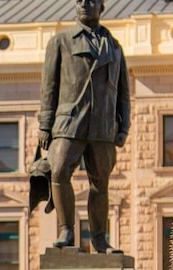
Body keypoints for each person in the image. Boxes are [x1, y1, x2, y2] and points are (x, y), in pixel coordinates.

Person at [31, 0, 130, 254]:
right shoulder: (61, 41)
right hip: (69, 122)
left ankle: (99, 239)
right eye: (80, 0)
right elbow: (49, 86)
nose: (85, 4)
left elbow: (122, 92)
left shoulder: (114, 47)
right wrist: (45, 124)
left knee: (101, 184)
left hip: (102, 126)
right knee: (60, 171)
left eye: (92, 0)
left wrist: (123, 126)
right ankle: (66, 229)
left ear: (101, 7)